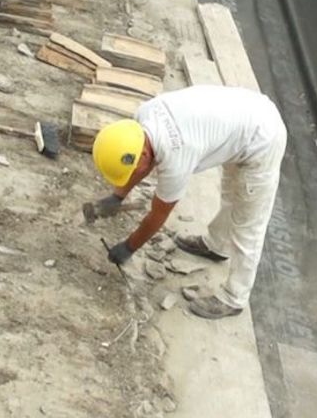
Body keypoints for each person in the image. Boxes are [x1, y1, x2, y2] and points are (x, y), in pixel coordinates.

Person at [88, 86, 287, 320]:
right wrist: (117, 196)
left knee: (248, 224)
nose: (134, 172)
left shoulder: (176, 155)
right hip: (243, 119)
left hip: (262, 140)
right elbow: (142, 162)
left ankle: (235, 297)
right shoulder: (143, 119)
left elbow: (158, 214)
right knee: (231, 192)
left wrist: (129, 247)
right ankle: (217, 246)